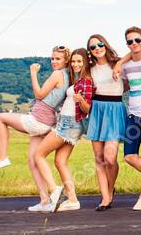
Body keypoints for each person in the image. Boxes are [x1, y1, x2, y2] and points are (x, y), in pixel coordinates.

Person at [0, 46, 70, 213]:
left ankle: (2, 158)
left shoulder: (58, 74)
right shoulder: (66, 75)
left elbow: (39, 94)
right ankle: (45, 201)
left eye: (58, 59)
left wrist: (33, 72)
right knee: (32, 161)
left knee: (1, 118)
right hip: (46, 121)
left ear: (65, 60)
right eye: (52, 58)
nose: (54, 61)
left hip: (38, 120)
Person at [31, 48, 94, 212]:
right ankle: (73, 200)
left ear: (85, 63)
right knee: (60, 161)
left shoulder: (86, 81)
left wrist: (80, 101)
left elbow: (87, 109)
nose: (75, 64)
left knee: (39, 154)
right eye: (73, 61)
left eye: (79, 61)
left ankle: (54, 190)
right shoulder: (77, 78)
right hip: (70, 124)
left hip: (69, 123)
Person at [115, 26, 141, 211]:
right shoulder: (125, 66)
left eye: (137, 40)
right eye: (130, 41)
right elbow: (123, 87)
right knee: (129, 157)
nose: (134, 44)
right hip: (134, 116)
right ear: (127, 44)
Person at [84, 34, 126, 211]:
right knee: (99, 159)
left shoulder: (118, 63)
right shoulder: (90, 69)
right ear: (90, 51)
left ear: (105, 45)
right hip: (97, 110)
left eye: (99, 44)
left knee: (110, 158)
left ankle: (110, 188)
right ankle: (105, 198)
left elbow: (129, 81)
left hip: (115, 109)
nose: (97, 48)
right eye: (93, 47)